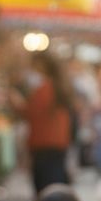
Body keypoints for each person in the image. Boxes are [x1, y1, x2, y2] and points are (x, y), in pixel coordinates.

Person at [24, 51, 72, 193]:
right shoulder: (60, 87)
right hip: (57, 145)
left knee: (46, 190)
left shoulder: (45, 89)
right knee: (54, 188)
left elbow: (31, 113)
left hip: (44, 145)